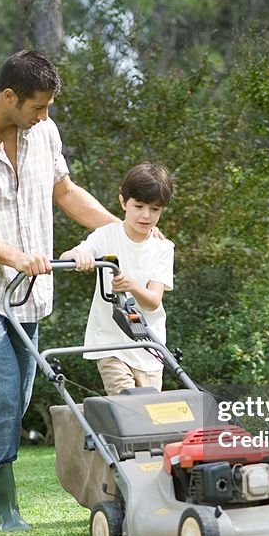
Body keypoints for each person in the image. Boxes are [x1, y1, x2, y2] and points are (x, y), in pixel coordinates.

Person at [0, 50, 119, 532]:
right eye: (38, 107)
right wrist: (15, 255)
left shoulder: (43, 131)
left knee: (13, 395)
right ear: (9, 96)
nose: (45, 117)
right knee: (4, 390)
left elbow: (66, 191)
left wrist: (123, 231)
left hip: (29, 289)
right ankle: (6, 507)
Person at [60, 163, 175, 395]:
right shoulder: (106, 235)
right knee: (128, 405)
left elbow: (153, 301)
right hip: (111, 345)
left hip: (149, 347)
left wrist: (131, 284)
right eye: (139, 206)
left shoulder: (162, 248)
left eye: (154, 209)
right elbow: (66, 257)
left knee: (150, 417)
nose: (146, 215)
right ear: (123, 202)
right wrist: (78, 256)